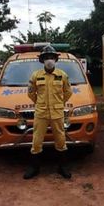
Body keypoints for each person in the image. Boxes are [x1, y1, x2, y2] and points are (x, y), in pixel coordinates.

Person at [25, 45, 73, 180]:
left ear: (55, 59)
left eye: (51, 57)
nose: (49, 60)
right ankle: (34, 167)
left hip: (57, 113)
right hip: (41, 113)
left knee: (61, 139)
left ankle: (62, 167)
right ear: (42, 60)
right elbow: (30, 93)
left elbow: (68, 92)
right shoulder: (36, 75)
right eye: (46, 58)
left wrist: (59, 103)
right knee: (36, 140)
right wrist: (40, 103)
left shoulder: (62, 75)